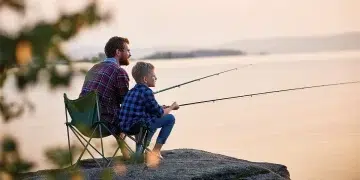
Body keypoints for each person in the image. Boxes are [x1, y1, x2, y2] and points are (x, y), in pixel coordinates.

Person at [79, 36, 132, 159]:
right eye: (127, 51)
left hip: (83, 122)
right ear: (118, 52)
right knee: (135, 113)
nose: (130, 54)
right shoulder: (119, 72)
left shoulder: (94, 68)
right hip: (101, 124)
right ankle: (137, 155)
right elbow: (126, 103)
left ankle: (126, 154)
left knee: (112, 112)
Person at [118, 61, 179, 164]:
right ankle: (155, 152)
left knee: (150, 118)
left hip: (125, 127)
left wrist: (161, 107)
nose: (156, 78)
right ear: (145, 79)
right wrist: (172, 107)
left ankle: (140, 151)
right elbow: (160, 113)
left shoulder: (131, 91)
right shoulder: (147, 92)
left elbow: (146, 108)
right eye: (154, 76)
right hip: (138, 126)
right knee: (170, 119)